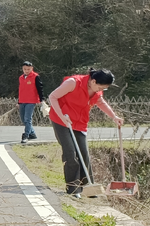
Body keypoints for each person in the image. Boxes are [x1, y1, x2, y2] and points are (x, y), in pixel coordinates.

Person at [47, 69, 124, 198]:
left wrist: (114, 117)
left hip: (79, 123)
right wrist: (61, 116)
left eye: (104, 89)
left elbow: (100, 102)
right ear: (93, 81)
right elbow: (52, 97)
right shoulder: (73, 83)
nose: (101, 90)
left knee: (84, 154)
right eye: (100, 87)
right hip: (62, 120)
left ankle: (88, 187)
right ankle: (73, 188)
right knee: (70, 153)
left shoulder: (96, 90)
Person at [18, 61, 46, 143]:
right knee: (23, 119)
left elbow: (40, 88)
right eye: (25, 69)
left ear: (32, 69)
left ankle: (26, 135)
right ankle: (32, 133)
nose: (26, 71)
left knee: (27, 119)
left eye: (28, 69)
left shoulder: (35, 77)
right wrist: (19, 101)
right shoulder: (21, 78)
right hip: (22, 100)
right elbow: (20, 90)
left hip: (31, 101)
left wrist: (42, 99)